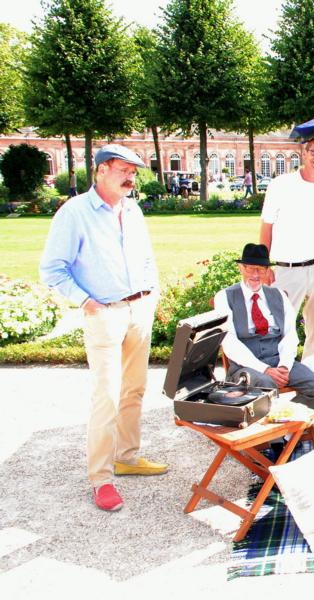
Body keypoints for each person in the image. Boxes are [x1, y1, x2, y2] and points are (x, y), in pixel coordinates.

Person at [40, 144, 165, 513]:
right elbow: (53, 269)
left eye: (134, 172)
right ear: (101, 170)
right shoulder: (74, 213)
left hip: (139, 308)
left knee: (135, 389)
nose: (131, 178)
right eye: (124, 170)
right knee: (106, 397)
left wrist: (151, 294)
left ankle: (127, 456)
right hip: (104, 313)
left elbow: (146, 257)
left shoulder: (133, 209)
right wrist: (87, 302)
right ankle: (101, 478)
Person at [260, 136, 314, 359]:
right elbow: (266, 227)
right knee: (278, 328)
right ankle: (275, 373)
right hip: (287, 269)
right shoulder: (280, 186)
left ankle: (313, 375)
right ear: (304, 153)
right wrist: (263, 265)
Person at [214, 243, 314, 407]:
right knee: (266, 384)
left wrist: (284, 366)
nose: (255, 274)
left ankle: (288, 421)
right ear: (241, 268)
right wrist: (264, 369)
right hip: (245, 366)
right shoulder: (224, 297)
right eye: (250, 268)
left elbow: (290, 335)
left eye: (261, 269)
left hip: (278, 360)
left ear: (268, 271)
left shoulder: (279, 295)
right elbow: (229, 343)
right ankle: (274, 422)